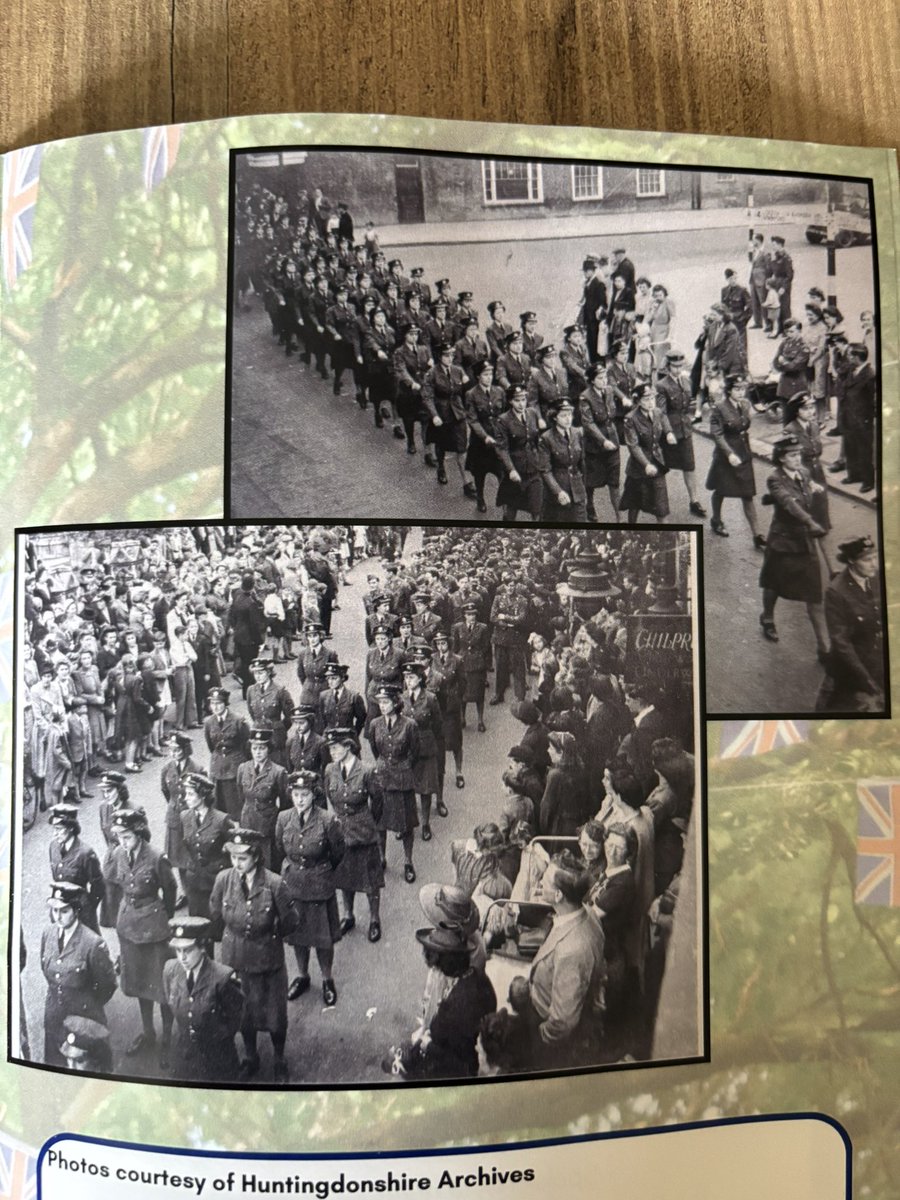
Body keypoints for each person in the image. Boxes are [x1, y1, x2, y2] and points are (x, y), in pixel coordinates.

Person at [209, 828, 299, 1082]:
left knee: (275, 1017)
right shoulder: (224, 879)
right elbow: (215, 910)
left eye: (243, 858)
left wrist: (268, 935)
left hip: (268, 961)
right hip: (236, 960)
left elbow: (291, 921)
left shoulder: (274, 884)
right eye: (233, 858)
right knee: (243, 1013)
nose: (236, 864)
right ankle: (250, 1057)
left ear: (256, 857)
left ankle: (279, 1060)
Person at [103, 808, 177, 1064]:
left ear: (139, 833)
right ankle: (148, 1032)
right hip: (129, 928)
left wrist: (165, 920)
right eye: (119, 837)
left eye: (127, 836)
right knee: (139, 984)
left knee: (162, 987)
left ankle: (167, 1037)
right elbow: (113, 886)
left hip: (154, 930)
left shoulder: (156, 857)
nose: (122, 841)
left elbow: (170, 889)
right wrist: (117, 919)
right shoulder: (118, 855)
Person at [520, 850, 605, 1068]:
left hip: (544, 1023)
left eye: (545, 880)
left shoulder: (571, 951)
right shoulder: (587, 912)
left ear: (558, 896)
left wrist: (541, 1035)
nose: (540, 881)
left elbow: (563, 1021)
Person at [388, 924, 496, 1080]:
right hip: (468, 1046)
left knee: (404, 1067)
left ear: (444, 964)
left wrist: (428, 1045)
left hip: (458, 1067)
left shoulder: (453, 1008)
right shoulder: (478, 977)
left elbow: (456, 1060)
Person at [276, 769, 345, 1008]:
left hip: (318, 885)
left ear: (313, 795)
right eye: (296, 794)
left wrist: (321, 871)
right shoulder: (284, 818)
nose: (300, 799)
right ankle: (303, 975)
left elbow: (337, 852)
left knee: (323, 939)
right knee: (298, 937)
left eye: (304, 794)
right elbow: (280, 847)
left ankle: (327, 980)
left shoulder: (327, 820)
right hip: (294, 885)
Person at [758, 435, 829, 655]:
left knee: (814, 594)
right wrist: (810, 521)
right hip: (784, 541)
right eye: (791, 455)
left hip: (805, 541)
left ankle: (823, 647)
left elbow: (806, 489)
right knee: (774, 584)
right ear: (781, 458)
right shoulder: (774, 479)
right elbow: (789, 503)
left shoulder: (805, 473)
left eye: (798, 454)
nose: (797, 459)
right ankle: (767, 616)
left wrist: (813, 485)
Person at [41, 881, 117, 1069]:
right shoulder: (48, 933)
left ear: (76, 910)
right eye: (54, 910)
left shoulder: (92, 944)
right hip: (55, 1017)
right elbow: (45, 969)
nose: (57, 916)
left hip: (84, 1020)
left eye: (64, 911)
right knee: (55, 1066)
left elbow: (107, 985)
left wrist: (87, 1003)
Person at [162, 916, 244, 1082]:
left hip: (218, 1056)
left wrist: (217, 1037)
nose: (182, 957)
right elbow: (169, 999)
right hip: (185, 1055)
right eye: (178, 951)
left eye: (188, 950)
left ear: (202, 947)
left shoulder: (222, 977)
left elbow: (235, 1018)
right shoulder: (170, 970)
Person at [323, 727, 385, 942]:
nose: (332, 752)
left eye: (336, 747)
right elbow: (330, 796)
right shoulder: (330, 770)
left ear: (348, 746)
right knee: (345, 877)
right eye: (330, 748)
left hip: (364, 833)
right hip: (342, 834)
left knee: (370, 880)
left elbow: (377, 801)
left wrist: (367, 822)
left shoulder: (366, 771)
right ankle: (348, 916)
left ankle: (375, 919)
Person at [817, 536, 884, 713]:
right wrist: (866, 679)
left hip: (876, 660)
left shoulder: (876, 579)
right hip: (848, 667)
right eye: (867, 560)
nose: (874, 564)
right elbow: (841, 642)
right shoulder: (836, 592)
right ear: (851, 561)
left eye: (875, 557)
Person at [367, 684, 420, 884]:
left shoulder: (409, 725)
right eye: (380, 702)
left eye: (386, 702)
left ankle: (408, 861)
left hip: (402, 779)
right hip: (381, 778)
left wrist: (401, 766)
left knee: (405, 823)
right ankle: (381, 857)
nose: (382, 706)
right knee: (380, 822)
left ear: (396, 703)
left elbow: (414, 752)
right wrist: (384, 765)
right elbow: (375, 749)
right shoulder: (375, 724)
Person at [705, 374, 765, 545]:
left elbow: (745, 427)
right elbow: (717, 434)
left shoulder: (745, 405)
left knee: (747, 495)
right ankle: (716, 520)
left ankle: (757, 535)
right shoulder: (719, 408)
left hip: (743, 453)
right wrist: (729, 453)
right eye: (737, 389)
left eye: (742, 389)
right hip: (726, 455)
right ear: (729, 390)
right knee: (721, 490)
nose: (740, 392)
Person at [655, 350, 706, 516]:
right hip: (669, 432)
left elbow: (687, 405)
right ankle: (658, 501)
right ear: (668, 366)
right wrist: (668, 432)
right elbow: (661, 412)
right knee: (660, 466)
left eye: (680, 366)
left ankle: (694, 501)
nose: (677, 369)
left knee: (689, 466)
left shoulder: (686, 381)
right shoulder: (662, 385)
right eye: (674, 366)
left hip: (684, 430)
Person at [620, 383, 677, 523]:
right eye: (646, 399)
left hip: (657, 463)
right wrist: (645, 464)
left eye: (652, 398)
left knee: (661, 505)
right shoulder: (630, 418)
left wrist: (669, 433)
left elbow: (663, 418)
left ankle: (664, 535)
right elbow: (633, 446)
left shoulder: (657, 411)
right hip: (638, 467)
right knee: (635, 503)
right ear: (638, 401)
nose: (651, 402)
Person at [180, 771, 233, 919]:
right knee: (197, 925)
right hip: (194, 880)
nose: (186, 798)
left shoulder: (221, 820)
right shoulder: (184, 817)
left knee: (216, 924)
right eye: (186, 793)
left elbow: (233, 850)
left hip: (215, 881)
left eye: (190, 794)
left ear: (202, 795)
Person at [236, 728, 290, 868]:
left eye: (262, 748)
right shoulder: (243, 768)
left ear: (269, 749)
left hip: (267, 825)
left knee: (267, 863)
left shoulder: (278, 772)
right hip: (247, 821)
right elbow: (241, 796)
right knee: (248, 860)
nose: (258, 752)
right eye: (255, 748)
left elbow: (285, 803)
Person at [401, 661, 444, 840]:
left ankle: (425, 823)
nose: (408, 681)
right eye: (406, 677)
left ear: (420, 679)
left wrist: (429, 741)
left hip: (426, 749)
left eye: (411, 677)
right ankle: (408, 824)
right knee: (407, 788)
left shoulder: (430, 698)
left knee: (425, 789)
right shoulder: (401, 698)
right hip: (406, 749)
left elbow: (438, 724)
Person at [48, 802, 105, 933]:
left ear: (71, 828)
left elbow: (99, 887)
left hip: (81, 913)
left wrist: (88, 908)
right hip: (60, 908)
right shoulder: (53, 847)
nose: (55, 834)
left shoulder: (85, 853)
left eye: (59, 829)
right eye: (54, 829)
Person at [421, 341, 471, 489]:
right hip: (441, 415)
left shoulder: (458, 370)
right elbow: (427, 397)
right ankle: (441, 468)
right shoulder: (432, 374)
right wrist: (434, 415)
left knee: (462, 447)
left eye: (451, 355)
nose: (450, 358)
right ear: (439, 356)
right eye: (446, 355)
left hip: (458, 413)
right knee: (441, 444)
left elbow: (464, 390)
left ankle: (467, 481)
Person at [494, 384, 543, 522]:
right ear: (510, 401)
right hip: (516, 470)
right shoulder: (503, 420)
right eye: (517, 400)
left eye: (523, 400)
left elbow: (536, 440)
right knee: (511, 511)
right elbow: (502, 448)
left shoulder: (532, 413)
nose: (521, 404)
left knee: (537, 509)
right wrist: (511, 470)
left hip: (533, 468)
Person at [579, 364, 621, 521]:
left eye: (605, 378)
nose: (604, 381)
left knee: (614, 482)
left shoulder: (609, 391)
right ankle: (589, 507)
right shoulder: (585, 397)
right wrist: (602, 441)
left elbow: (612, 414)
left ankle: (619, 518)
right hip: (594, 446)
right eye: (600, 378)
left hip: (612, 440)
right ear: (592, 380)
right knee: (591, 482)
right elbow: (588, 423)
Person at [463, 359, 505, 513]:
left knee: (501, 472)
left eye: (490, 374)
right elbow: (472, 419)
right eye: (485, 374)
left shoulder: (499, 391)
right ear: (478, 377)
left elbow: (504, 414)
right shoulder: (471, 394)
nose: (489, 377)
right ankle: (480, 498)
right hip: (480, 443)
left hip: (498, 441)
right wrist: (484, 436)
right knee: (480, 473)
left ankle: (504, 501)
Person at [536, 399, 588, 522]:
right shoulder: (546, 438)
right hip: (558, 490)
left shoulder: (577, 433)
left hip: (577, 488)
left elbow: (582, 463)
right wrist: (558, 491)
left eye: (570, 415)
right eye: (563, 416)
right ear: (555, 417)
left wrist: (583, 489)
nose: (568, 419)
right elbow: (545, 470)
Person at [203, 686, 250, 821]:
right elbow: (211, 746)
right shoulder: (209, 722)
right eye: (213, 704)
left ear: (225, 703)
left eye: (219, 703)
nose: (215, 707)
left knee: (235, 804)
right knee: (219, 803)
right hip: (217, 768)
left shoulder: (238, 720)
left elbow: (246, 744)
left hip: (234, 766)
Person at [841, 343, 876, 494]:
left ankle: (868, 481)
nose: (847, 357)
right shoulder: (852, 370)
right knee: (850, 447)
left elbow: (874, 400)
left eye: (849, 355)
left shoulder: (870, 375)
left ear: (857, 357)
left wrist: (869, 419)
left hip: (862, 420)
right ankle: (854, 475)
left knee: (864, 450)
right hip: (848, 416)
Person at [451, 602, 491, 734]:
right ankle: (462, 718)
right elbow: (455, 647)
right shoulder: (458, 627)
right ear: (464, 615)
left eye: (473, 614)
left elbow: (486, 647)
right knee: (463, 694)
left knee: (479, 694)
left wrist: (483, 662)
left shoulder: (483, 628)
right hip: (462, 664)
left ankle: (480, 720)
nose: (471, 617)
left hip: (477, 665)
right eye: (468, 614)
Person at [540, 731, 589, 837]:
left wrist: (543, 831)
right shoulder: (580, 769)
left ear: (561, 752)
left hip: (560, 827)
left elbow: (546, 808)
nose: (548, 751)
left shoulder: (555, 775)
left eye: (551, 748)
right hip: (578, 825)